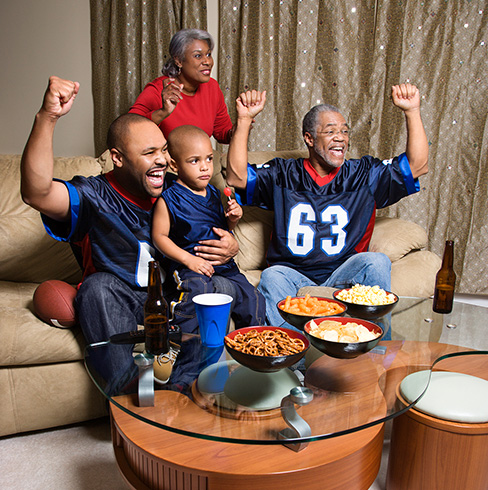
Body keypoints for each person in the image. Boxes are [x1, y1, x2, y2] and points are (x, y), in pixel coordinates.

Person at [20, 76, 240, 390]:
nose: (162, 160)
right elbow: (37, 193)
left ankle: (188, 388)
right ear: (118, 158)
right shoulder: (96, 193)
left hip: (176, 295)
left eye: (163, 151)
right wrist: (48, 117)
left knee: (218, 285)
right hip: (124, 299)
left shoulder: (181, 190)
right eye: (150, 153)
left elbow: (215, 235)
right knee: (97, 288)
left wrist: (230, 244)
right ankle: (130, 396)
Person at [226, 84, 429, 330]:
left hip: (343, 272)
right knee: (271, 275)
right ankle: (291, 361)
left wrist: (412, 111)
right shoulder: (284, 173)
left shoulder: (363, 174)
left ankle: (372, 354)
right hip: (292, 273)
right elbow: (236, 177)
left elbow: (416, 167)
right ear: (309, 139)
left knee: (376, 262)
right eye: (331, 131)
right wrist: (245, 119)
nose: (341, 138)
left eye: (344, 131)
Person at [152, 125, 266, 334]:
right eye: (195, 161)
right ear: (175, 165)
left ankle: (251, 350)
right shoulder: (169, 198)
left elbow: (220, 230)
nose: (205, 167)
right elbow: (159, 237)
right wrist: (189, 260)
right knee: (198, 290)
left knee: (254, 299)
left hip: (226, 268)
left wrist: (232, 220)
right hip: (191, 267)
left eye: (209, 159)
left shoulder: (213, 193)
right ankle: (181, 341)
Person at [129, 29, 235, 143]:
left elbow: (223, 133)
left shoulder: (212, 87)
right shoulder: (157, 90)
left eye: (208, 54)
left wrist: (244, 122)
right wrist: (163, 112)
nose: (208, 62)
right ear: (179, 60)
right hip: (166, 160)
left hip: (199, 159)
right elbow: (129, 130)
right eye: (198, 56)